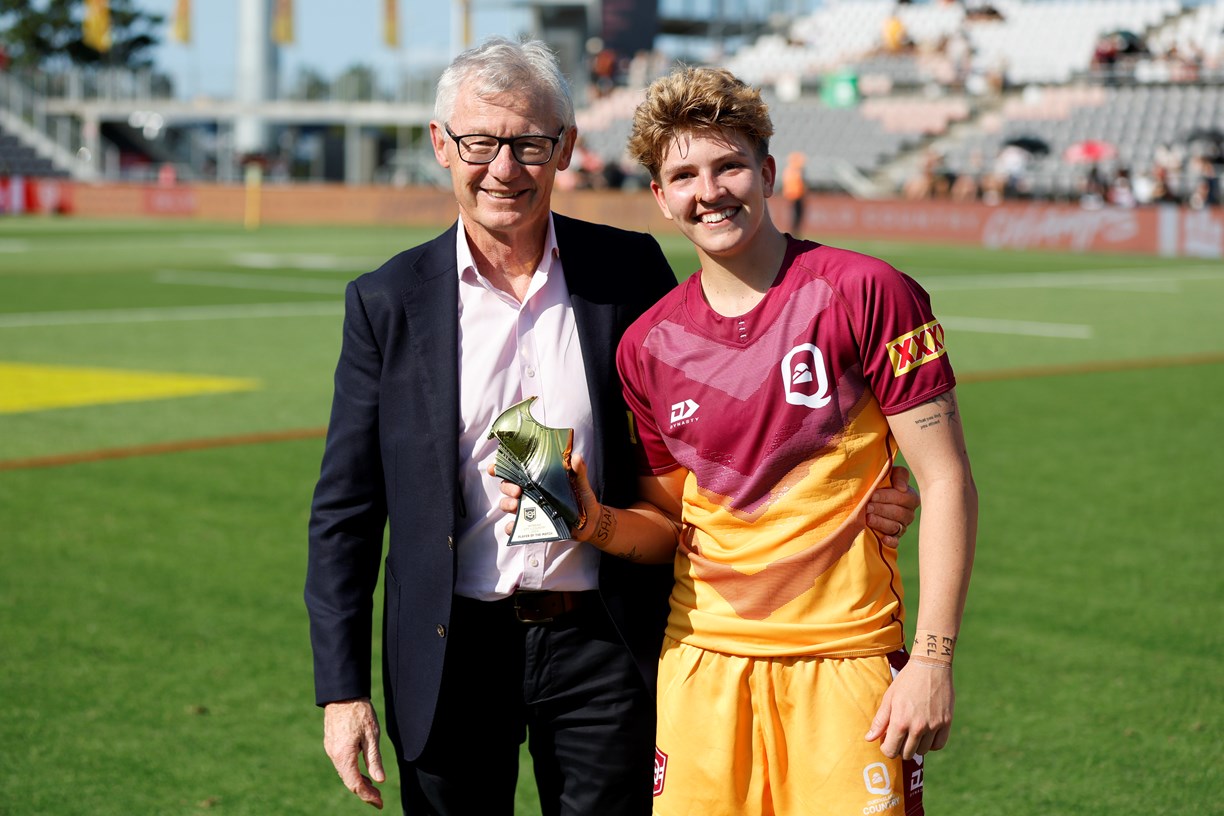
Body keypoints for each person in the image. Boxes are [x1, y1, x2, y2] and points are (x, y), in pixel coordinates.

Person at [305, 38, 921, 815]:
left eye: (530, 144)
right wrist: (341, 691)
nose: (504, 168)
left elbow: (717, 423)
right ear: (441, 145)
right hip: (450, 647)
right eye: (480, 143)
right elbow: (347, 510)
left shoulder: (629, 271)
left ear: (565, 148)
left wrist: (864, 481)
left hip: (603, 641)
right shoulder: (386, 300)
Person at [522, 66, 978, 815]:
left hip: (845, 660)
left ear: (766, 173)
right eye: (684, 176)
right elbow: (673, 525)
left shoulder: (868, 292)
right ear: (661, 197)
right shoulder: (646, 346)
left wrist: (932, 661)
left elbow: (947, 479)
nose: (710, 191)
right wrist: (589, 519)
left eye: (728, 165)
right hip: (701, 665)